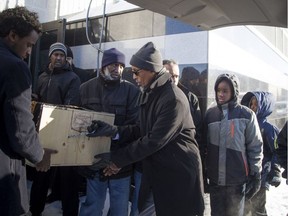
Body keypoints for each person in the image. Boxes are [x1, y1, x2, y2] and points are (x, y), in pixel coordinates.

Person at [88, 42, 205, 216]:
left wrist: (118, 159)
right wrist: (114, 131)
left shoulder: (173, 99)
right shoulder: (150, 92)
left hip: (177, 176)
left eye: (136, 71)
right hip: (157, 171)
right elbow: (141, 128)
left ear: (151, 69)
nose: (133, 76)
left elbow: (153, 140)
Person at [0, 6, 57, 216]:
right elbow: (21, 130)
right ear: (12, 35)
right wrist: (39, 156)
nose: (30, 52)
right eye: (29, 45)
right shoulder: (15, 67)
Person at [79, 48, 140, 216]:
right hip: (94, 161)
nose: (118, 69)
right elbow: (76, 124)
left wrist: (118, 158)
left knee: (120, 210)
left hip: (120, 164)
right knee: (92, 206)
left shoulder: (132, 92)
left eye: (121, 65)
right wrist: (81, 159)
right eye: (114, 64)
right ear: (103, 66)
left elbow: (136, 129)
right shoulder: (85, 88)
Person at [29, 42, 81, 216]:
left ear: (66, 58)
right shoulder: (42, 76)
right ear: (50, 56)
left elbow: (71, 107)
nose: (59, 58)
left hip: (64, 133)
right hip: (43, 133)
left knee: (68, 179)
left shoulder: (72, 78)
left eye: (62, 55)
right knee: (41, 176)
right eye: (56, 54)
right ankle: (34, 210)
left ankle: (70, 212)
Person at [201, 74, 263, 216]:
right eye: (218, 90)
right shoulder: (210, 115)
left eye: (225, 91)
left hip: (237, 182)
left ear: (233, 92)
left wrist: (255, 173)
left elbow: (255, 147)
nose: (221, 94)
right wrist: (204, 173)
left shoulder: (246, 115)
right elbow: (204, 147)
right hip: (216, 181)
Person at [241, 91, 282, 215]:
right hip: (246, 175)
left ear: (264, 107)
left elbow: (277, 151)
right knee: (245, 208)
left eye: (256, 105)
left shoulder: (268, 129)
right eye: (251, 104)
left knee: (258, 209)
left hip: (261, 176)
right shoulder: (246, 123)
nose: (252, 107)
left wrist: (275, 171)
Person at [163, 59, 202, 142]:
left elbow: (198, 129)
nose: (173, 79)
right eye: (170, 75)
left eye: (176, 76)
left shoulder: (191, 98)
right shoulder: (152, 97)